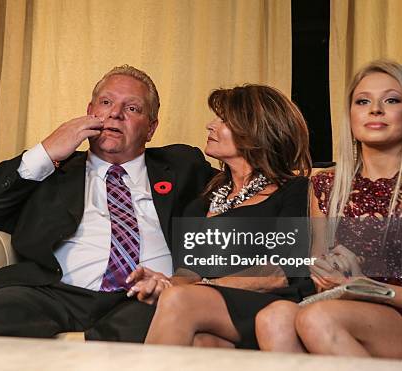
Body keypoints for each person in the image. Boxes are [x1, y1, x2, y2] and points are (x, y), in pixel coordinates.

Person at [0, 65, 214, 341]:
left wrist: (180, 281)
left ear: (151, 128)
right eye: (106, 102)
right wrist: (47, 150)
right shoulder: (53, 168)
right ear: (90, 111)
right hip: (58, 292)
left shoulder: (183, 166)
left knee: (151, 319)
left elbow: (246, 192)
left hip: (144, 297)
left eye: (133, 108)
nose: (115, 113)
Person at [255, 60, 402, 358]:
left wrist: (371, 288)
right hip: (345, 310)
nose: (375, 109)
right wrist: (334, 276)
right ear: (350, 114)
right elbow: (322, 281)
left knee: (319, 318)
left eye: (392, 100)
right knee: (273, 317)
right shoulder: (325, 186)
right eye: (363, 101)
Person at [128, 84, 314, 349]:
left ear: (256, 130)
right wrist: (162, 283)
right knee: (201, 342)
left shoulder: (294, 190)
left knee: (180, 301)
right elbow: (188, 272)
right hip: (217, 310)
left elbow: (280, 271)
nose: (210, 125)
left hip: (274, 304)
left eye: (224, 120)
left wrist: (200, 288)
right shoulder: (201, 203)